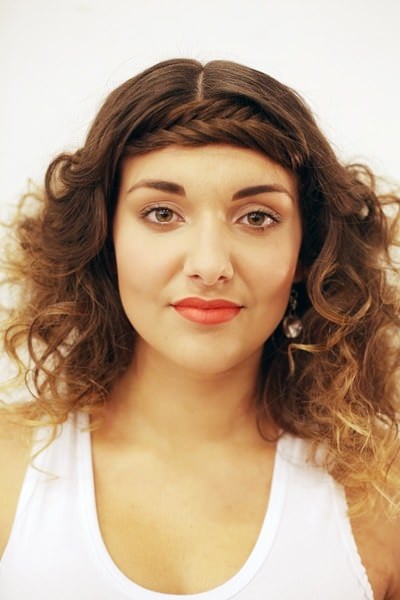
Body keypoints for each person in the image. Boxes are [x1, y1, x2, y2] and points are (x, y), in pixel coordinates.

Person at [0, 58, 399, 599]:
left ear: (308, 252)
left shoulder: (381, 498)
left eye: (257, 217)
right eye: (162, 214)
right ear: (103, 238)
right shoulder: (8, 468)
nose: (210, 265)